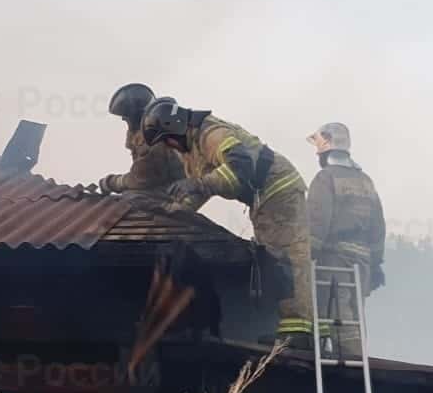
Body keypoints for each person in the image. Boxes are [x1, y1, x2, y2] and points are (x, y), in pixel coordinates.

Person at [100, 86, 317, 349]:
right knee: (272, 255)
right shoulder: (189, 148)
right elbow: (199, 189)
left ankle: (299, 332)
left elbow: (239, 171)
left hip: (279, 188)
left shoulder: (211, 133)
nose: (169, 147)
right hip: (263, 197)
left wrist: (200, 184)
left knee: (283, 255)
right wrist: (176, 210)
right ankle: (297, 330)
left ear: (176, 127)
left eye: (168, 140)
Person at [305, 122, 386, 354]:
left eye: (318, 148)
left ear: (327, 147)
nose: (316, 153)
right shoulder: (366, 181)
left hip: (334, 261)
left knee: (338, 318)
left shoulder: (325, 178)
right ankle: (357, 362)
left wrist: (306, 255)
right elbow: (378, 226)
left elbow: (317, 221)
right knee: (355, 316)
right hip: (362, 262)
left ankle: (350, 366)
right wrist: (377, 262)